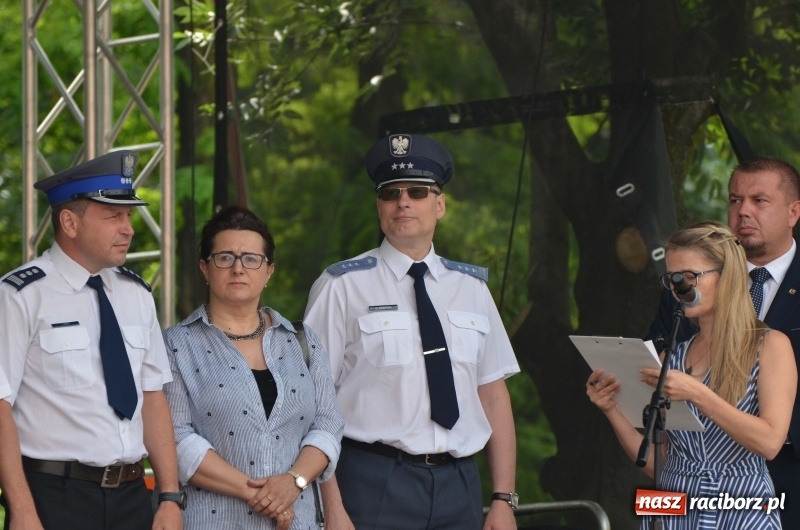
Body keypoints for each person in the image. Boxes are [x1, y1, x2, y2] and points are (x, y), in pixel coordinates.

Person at [304, 133, 520, 530]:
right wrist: (330, 506)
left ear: (440, 205)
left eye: (418, 191)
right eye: (390, 193)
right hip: (371, 480)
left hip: (460, 483)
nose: (403, 201)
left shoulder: (471, 288)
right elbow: (314, 404)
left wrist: (504, 498)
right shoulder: (341, 286)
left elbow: (492, 395)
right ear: (379, 206)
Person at [0, 151, 182, 530]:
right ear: (69, 222)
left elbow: (152, 396)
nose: (129, 228)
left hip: (133, 494)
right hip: (54, 495)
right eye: (113, 216)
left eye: (129, 215)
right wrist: (21, 509)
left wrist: (168, 495)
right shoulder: (20, 295)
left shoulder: (136, 294)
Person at [591, 221, 797, 528]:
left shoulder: (770, 346)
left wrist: (697, 394)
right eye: (672, 278)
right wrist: (611, 409)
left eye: (690, 277)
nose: (678, 287)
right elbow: (658, 465)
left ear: (726, 276)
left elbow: (769, 443)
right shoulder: (671, 355)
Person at [162, 205, 344, 530]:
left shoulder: (302, 340)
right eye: (225, 257)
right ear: (205, 268)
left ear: (268, 270)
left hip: (299, 521)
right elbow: (175, 439)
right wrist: (265, 496)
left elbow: (328, 424)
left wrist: (293, 482)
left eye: (251, 258)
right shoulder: (175, 345)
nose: (238, 268)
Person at [646, 157, 800, 527]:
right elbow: (660, 367)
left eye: (759, 201)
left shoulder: (772, 344)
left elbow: (768, 438)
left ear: (794, 212)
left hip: (779, 474)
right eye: (734, 200)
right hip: (676, 490)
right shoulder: (681, 288)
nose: (743, 210)